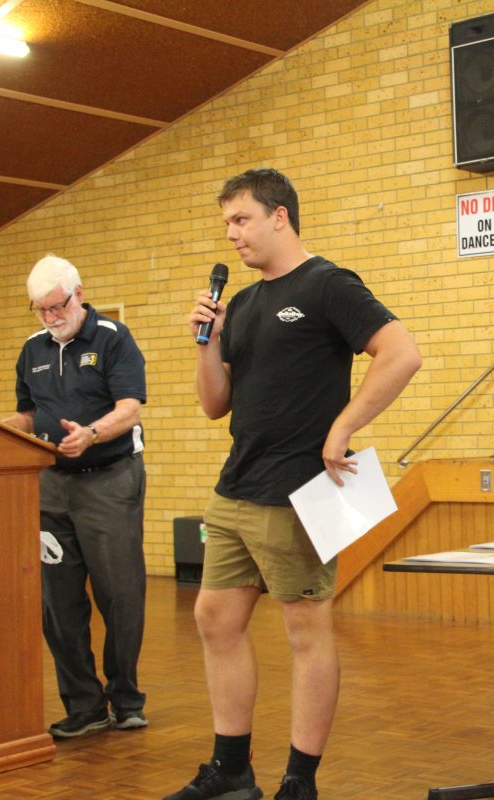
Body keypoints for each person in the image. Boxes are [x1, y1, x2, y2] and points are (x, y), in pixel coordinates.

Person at [166, 168, 422, 800]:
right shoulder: (246, 303)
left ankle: (299, 782)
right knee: (214, 618)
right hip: (236, 489)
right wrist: (207, 343)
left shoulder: (327, 284)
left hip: (298, 491)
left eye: (241, 219)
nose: (231, 234)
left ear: (280, 216)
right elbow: (214, 405)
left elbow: (402, 353)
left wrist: (344, 427)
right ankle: (231, 773)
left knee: (306, 631)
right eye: (226, 222)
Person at [1, 254, 149, 738]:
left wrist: (91, 433)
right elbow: (27, 414)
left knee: (119, 594)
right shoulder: (32, 349)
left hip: (110, 480)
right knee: (58, 602)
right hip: (51, 488)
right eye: (39, 310)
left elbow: (129, 409)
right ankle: (84, 706)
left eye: (56, 306)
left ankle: (125, 698)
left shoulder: (112, 337)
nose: (50, 317)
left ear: (78, 293)